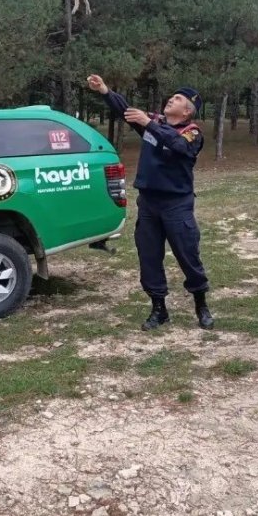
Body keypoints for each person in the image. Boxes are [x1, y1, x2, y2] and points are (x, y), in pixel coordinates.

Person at [86, 74, 212, 330]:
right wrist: (105, 91)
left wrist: (148, 123)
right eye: (171, 96)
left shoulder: (192, 132)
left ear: (187, 110)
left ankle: (201, 304)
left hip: (177, 205)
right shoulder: (152, 123)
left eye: (177, 99)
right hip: (149, 204)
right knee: (149, 257)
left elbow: (178, 146)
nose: (170, 100)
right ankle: (159, 309)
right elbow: (126, 111)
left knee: (188, 256)